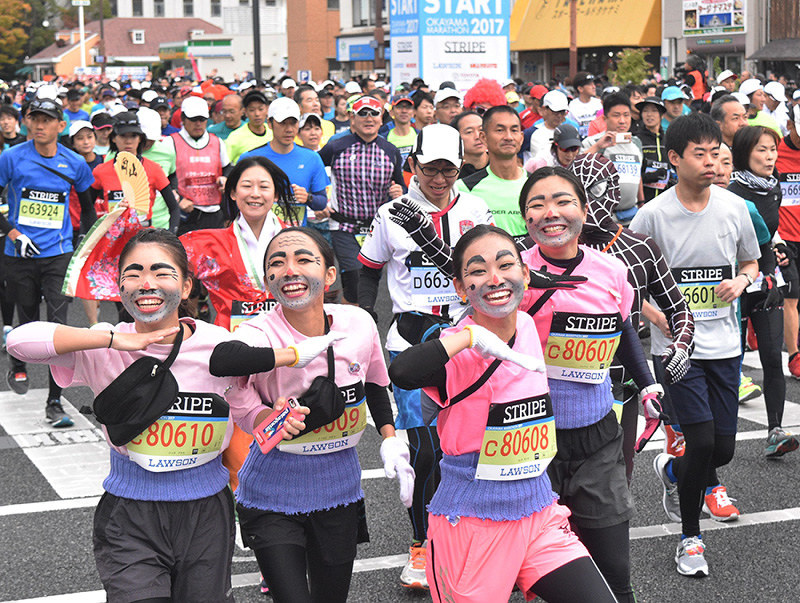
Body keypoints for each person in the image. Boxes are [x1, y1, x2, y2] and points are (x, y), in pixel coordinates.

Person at [6, 228, 319, 603]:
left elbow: (245, 408)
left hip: (206, 513)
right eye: (133, 273)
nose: (146, 282)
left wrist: (275, 419)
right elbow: (19, 343)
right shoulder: (103, 344)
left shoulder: (217, 345)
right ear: (119, 286)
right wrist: (112, 339)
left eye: (161, 272)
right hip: (130, 515)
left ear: (186, 287)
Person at [389, 223, 618, 603]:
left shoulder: (527, 324)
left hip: (538, 512)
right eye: (477, 270)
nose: (494, 277)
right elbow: (402, 372)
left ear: (524, 274)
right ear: (461, 289)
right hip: (472, 522)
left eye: (506, 264)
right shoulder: (455, 347)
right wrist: (468, 337)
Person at [210, 226, 414, 603]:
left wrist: (389, 438)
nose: (290, 270)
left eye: (304, 260)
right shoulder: (258, 331)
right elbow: (225, 365)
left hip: (340, 488)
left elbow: (373, 384)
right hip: (271, 492)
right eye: (277, 263)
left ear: (330, 274)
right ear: (267, 279)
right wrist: (288, 362)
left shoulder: (359, 323)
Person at [518, 166, 664, 601]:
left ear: (584, 208)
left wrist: (648, 384)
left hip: (598, 438)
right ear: (525, 219)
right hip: (527, 441)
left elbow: (621, 330)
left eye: (562, 201)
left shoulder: (611, 270)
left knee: (614, 573)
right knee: (533, 575)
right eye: (536, 204)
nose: (550, 212)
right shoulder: (513, 273)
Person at [357, 124, 493, 590]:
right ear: (413, 163)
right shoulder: (392, 212)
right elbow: (368, 272)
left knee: (470, 444)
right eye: (430, 168)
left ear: (460, 167)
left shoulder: (475, 208)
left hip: (465, 336)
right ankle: (421, 545)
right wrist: (364, 327)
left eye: (448, 169)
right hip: (410, 338)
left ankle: (466, 536)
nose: (439, 178)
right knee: (423, 449)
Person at [630, 113, 760, 577]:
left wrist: (741, 283)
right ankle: (690, 539)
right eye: (699, 154)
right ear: (674, 159)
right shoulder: (652, 215)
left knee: (720, 450)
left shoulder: (734, 208)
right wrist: (656, 313)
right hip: (677, 349)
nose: (710, 162)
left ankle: (672, 471)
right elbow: (631, 286)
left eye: (715, 153)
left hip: (725, 346)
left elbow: (751, 262)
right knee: (700, 441)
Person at [570, 152, 695, 478]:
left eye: (593, 189)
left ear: (613, 188)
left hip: (623, 381)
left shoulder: (640, 247)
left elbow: (679, 308)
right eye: (575, 191)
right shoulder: (548, 249)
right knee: (564, 486)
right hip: (563, 385)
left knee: (617, 479)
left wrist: (682, 346)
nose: (586, 201)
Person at [0, 97, 96, 427]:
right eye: (33, 118)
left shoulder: (75, 163)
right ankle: (17, 362)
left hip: (58, 255)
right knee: (26, 322)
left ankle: (55, 402)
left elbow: (88, 208)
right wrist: (12, 232)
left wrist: (83, 243)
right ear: (27, 122)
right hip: (20, 255)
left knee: (57, 329)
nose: (39, 125)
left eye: (46, 119)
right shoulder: (10, 158)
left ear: (60, 125)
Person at [727, 125, 799, 457]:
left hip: (766, 280)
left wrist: (778, 251)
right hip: (733, 283)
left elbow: (767, 232)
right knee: (729, 361)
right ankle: (716, 435)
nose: (770, 157)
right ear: (744, 153)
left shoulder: (774, 187)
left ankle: (775, 431)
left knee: (772, 356)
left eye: (772, 149)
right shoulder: (732, 191)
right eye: (761, 150)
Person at [319, 95, 404, 303]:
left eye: (374, 113)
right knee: (354, 276)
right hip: (343, 226)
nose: (368, 118)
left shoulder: (390, 151)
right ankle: (354, 321)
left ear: (381, 117)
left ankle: (359, 320)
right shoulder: (336, 147)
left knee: (368, 280)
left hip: (375, 228)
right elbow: (315, 171)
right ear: (352, 118)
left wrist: (399, 192)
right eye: (362, 113)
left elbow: (401, 185)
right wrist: (320, 199)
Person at [239, 97, 329, 227]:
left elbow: (321, 202)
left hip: (294, 238)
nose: (289, 129)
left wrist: (308, 197)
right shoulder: (250, 158)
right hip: (257, 236)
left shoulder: (311, 158)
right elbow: (235, 200)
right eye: (283, 123)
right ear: (270, 124)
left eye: (293, 123)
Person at [91, 112, 180, 233]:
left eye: (133, 136)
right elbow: (87, 208)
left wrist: (172, 234)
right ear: (113, 138)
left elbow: (174, 207)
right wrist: (86, 237)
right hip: (112, 238)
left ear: (140, 138)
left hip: (143, 238)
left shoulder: (154, 169)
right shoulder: (101, 171)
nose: (128, 141)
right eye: (123, 136)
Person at [457, 105, 528, 242]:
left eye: (514, 130)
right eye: (500, 130)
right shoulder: (464, 188)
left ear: (521, 137)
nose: (508, 137)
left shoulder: (535, 184)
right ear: (483, 137)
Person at [166, 96, 231, 234]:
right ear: (183, 119)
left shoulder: (217, 142)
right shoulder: (170, 142)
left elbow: (227, 168)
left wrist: (226, 178)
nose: (198, 124)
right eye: (193, 119)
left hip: (214, 213)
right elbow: (164, 178)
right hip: (186, 214)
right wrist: (178, 199)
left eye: (202, 119)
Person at [582, 93, 644, 223]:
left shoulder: (636, 143)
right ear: (605, 118)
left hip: (631, 216)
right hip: (603, 219)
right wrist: (598, 146)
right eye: (616, 115)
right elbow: (577, 168)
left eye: (626, 115)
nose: (622, 120)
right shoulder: (592, 142)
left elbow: (638, 176)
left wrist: (641, 203)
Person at [776, 106, 800, 378]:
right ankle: (794, 355)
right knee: (792, 297)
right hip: (785, 239)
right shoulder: (775, 153)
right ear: (790, 126)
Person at [634, 96, 674, 202]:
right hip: (644, 201)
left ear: (662, 115)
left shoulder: (668, 140)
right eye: (645, 111)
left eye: (654, 111)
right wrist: (652, 176)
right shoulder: (636, 140)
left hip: (666, 202)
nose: (649, 114)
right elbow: (633, 175)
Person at [226, 89, 274, 164]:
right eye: (252, 110)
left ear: (267, 109)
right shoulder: (235, 137)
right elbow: (225, 164)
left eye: (261, 109)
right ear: (245, 112)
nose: (257, 114)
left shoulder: (274, 133)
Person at [528, 90, 569, 161]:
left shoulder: (570, 131)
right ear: (544, 110)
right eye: (555, 112)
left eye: (562, 112)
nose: (559, 116)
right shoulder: (532, 132)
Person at [451, 110, 487, 178]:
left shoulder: (499, 164)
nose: (477, 136)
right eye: (469, 132)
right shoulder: (453, 174)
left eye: (481, 129)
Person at [567, 71, 602, 138]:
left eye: (593, 84)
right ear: (580, 88)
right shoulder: (572, 106)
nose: (594, 87)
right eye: (590, 84)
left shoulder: (599, 104)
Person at [386, 96, 417, 164]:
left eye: (408, 108)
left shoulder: (420, 136)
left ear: (413, 112)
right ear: (391, 112)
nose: (404, 111)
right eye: (399, 107)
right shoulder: (384, 137)